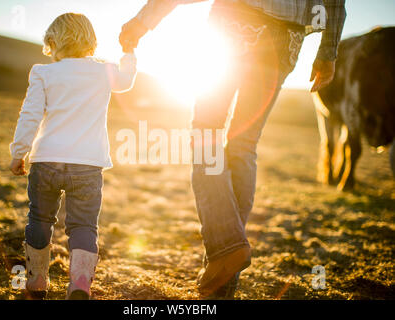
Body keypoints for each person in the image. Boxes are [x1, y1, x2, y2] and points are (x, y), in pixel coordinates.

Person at [120, 0, 346, 299]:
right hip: (287, 39)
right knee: (244, 145)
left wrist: (144, 19)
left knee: (206, 136)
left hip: (234, 20)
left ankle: (226, 249)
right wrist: (327, 52)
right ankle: (223, 278)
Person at [9, 12, 137, 299]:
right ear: (90, 41)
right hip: (88, 165)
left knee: (39, 218)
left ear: (53, 42)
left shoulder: (43, 72)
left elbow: (30, 115)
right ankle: (80, 282)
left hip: (46, 161)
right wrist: (128, 51)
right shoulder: (104, 70)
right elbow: (126, 80)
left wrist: (19, 152)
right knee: (83, 225)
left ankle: (36, 279)